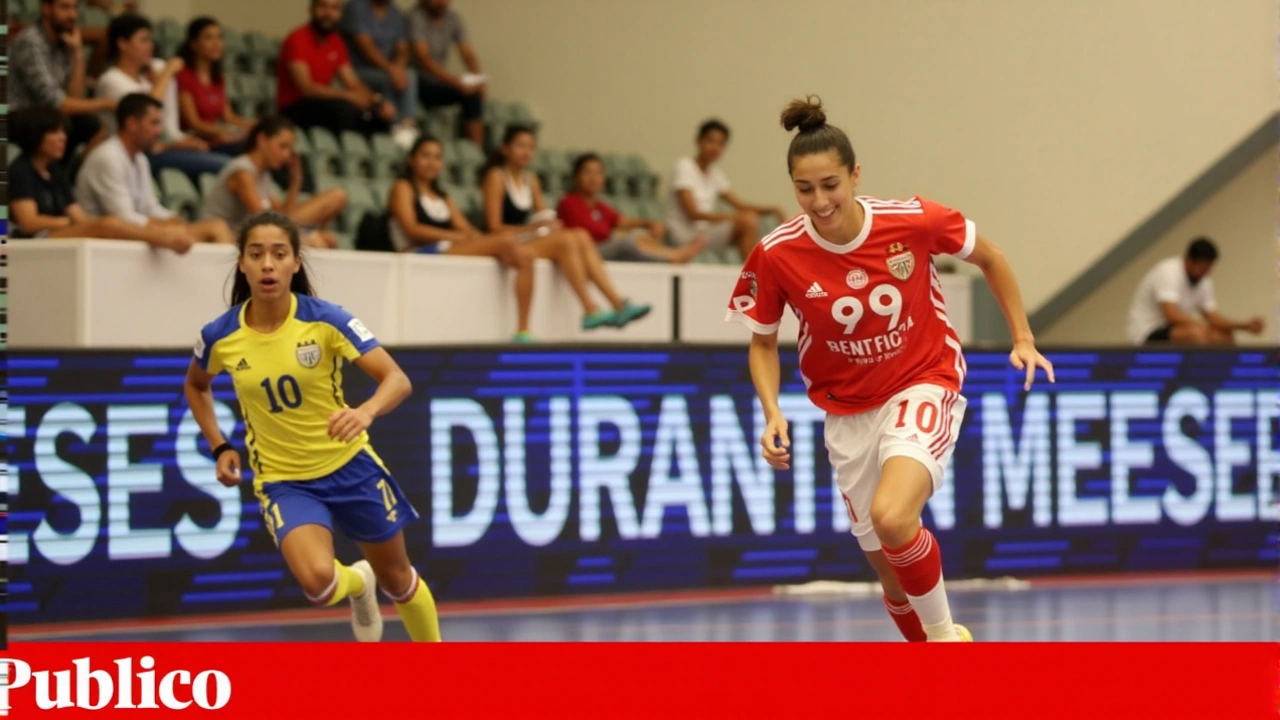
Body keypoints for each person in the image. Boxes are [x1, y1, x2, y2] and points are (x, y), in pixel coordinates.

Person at [726, 96, 1055, 642]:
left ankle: (946, 641)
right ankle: (928, 646)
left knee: (894, 516)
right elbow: (762, 344)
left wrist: (1022, 336)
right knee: (891, 573)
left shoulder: (912, 220)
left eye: (831, 184)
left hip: (924, 380)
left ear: (855, 175)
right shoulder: (777, 252)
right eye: (804, 189)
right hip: (847, 411)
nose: (820, 200)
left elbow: (991, 256)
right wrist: (770, 412)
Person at [184, 211, 441, 643]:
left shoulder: (326, 320)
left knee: (398, 579)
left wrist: (366, 412)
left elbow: (397, 379)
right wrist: (219, 445)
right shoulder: (220, 336)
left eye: (279, 254)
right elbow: (196, 385)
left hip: (350, 465)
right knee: (319, 584)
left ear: (296, 263)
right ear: (242, 264)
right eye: (256, 254)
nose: (268, 264)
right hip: (285, 480)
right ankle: (359, 584)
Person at [480, 126, 651, 331]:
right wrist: (533, 228)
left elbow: (541, 216)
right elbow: (493, 227)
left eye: (530, 147)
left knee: (579, 235)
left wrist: (549, 226)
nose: (526, 152)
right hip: (506, 243)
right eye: (520, 146)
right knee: (569, 240)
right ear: (505, 149)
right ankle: (590, 308)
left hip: (525, 239)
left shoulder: (531, 180)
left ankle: (616, 303)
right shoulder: (496, 177)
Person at [388, 135, 535, 342]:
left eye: (437, 157)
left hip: (442, 248)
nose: (432, 162)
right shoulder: (403, 188)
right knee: (505, 241)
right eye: (425, 156)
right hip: (416, 253)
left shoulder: (442, 196)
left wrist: (477, 239)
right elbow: (412, 229)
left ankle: (523, 329)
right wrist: (457, 236)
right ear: (411, 160)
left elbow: (466, 229)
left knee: (524, 254)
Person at [8, 106, 194, 252]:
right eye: (54, 132)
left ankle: (162, 236)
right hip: (27, 244)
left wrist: (83, 224)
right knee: (108, 224)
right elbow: (29, 222)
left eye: (63, 132)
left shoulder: (54, 171)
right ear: (34, 134)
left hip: (55, 235)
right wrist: (70, 223)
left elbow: (78, 216)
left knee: (108, 226)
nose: (62, 138)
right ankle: (163, 239)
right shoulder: (20, 170)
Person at [75, 93, 234, 245]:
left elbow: (149, 206)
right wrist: (167, 226)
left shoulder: (140, 158)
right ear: (131, 124)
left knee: (214, 227)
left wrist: (172, 218)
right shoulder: (107, 157)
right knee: (214, 228)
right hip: (105, 242)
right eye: (154, 123)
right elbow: (122, 218)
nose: (159, 131)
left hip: (133, 237)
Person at [95, 13, 229, 181]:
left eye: (150, 40)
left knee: (231, 161)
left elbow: (166, 128)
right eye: (143, 40)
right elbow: (145, 114)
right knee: (226, 166)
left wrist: (184, 140)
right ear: (122, 44)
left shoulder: (148, 79)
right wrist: (168, 72)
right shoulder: (112, 80)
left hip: (158, 149)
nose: (150, 46)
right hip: (135, 155)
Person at [201, 116, 345, 249]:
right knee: (317, 240)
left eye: (290, 149)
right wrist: (304, 238)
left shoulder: (264, 175)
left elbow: (283, 215)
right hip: (222, 239)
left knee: (330, 225)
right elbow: (260, 219)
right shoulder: (242, 171)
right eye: (282, 147)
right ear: (262, 140)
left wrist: (295, 181)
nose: (287, 155)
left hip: (247, 236)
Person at [10, 0, 117, 166]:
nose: (72, 15)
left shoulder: (65, 40)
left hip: (48, 115)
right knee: (79, 123)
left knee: (92, 126)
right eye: (65, 8)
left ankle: (65, 178)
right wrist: (106, 103)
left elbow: (75, 97)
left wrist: (78, 52)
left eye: (74, 8)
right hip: (17, 114)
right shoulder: (30, 41)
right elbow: (57, 102)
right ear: (46, 9)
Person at [668, 119, 786, 260]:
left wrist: (772, 210)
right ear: (699, 140)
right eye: (710, 141)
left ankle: (754, 272)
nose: (715, 148)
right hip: (685, 235)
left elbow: (739, 204)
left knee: (752, 221)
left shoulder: (715, 173)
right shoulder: (684, 166)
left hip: (705, 232)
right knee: (747, 221)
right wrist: (733, 217)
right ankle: (752, 276)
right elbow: (693, 214)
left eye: (720, 144)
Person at [277, 0, 396, 139]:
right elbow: (307, 88)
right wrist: (349, 96)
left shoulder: (336, 42)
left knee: (380, 116)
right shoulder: (297, 39)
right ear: (312, 9)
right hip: (295, 108)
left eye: (334, 8)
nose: (328, 13)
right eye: (323, 6)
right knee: (343, 110)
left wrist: (377, 101)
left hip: (324, 105)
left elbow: (352, 82)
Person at [558, 153, 705, 264]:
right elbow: (588, 231)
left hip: (604, 249)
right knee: (626, 243)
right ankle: (671, 257)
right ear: (576, 177)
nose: (593, 177)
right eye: (587, 172)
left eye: (598, 172)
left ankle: (674, 254)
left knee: (638, 238)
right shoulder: (568, 202)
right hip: (586, 251)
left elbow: (621, 221)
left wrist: (649, 224)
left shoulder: (600, 206)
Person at [1127, 238, 1265, 346]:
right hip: (1147, 332)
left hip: (1174, 330)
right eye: (1203, 266)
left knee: (1224, 336)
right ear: (1189, 260)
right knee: (1197, 334)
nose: (1207, 272)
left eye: (1209, 267)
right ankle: (1197, 377)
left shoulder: (1203, 280)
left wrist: (1245, 326)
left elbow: (1213, 318)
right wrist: (1204, 328)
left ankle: (1221, 378)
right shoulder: (1168, 271)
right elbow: (1170, 314)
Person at [408, 0, 485, 146]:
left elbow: (467, 53)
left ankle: (475, 151)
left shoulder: (453, 18)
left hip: (440, 83)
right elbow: (424, 58)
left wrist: (476, 79)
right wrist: (455, 82)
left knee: (474, 95)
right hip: (417, 83)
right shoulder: (415, 17)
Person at [176, 17, 257, 155]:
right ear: (193, 44)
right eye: (209, 38)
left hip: (218, 138)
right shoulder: (184, 76)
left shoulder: (218, 78)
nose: (217, 44)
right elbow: (193, 123)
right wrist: (224, 131)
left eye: (219, 37)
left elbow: (229, 117)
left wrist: (257, 126)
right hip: (197, 142)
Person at [341, 0, 419, 137]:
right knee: (388, 79)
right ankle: (392, 125)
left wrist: (399, 69)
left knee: (410, 74)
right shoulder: (356, 7)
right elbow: (365, 46)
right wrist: (392, 70)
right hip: (358, 70)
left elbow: (402, 48)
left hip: (388, 70)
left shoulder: (396, 13)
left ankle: (407, 126)